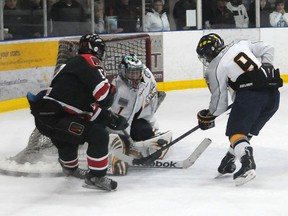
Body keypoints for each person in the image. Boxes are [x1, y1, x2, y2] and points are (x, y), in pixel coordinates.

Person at [27, 33, 128, 191]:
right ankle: (96, 176)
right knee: (98, 135)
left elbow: (81, 104)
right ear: (96, 50)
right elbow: (104, 97)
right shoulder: (89, 60)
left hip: (48, 117)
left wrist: (109, 117)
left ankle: (70, 168)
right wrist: (112, 91)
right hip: (56, 117)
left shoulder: (69, 65)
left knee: (71, 135)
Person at [196, 33, 282, 186]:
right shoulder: (240, 44)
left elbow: (219, 104)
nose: (207, 59)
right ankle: (230, 159)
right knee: (244, 133)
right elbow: (268, 48)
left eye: (207, 55)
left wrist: (209, 116)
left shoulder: (215, 67)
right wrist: (267, 65)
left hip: (251, 97)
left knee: (235, 133)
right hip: (273, 95)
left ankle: (247, 163)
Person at [107, 54, 171, 175]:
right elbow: (120, 123)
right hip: (118, 122)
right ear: (122, 72)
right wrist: (126, 143)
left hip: (138, 116)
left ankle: (150, 134)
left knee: (145, 131)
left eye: (137, 73)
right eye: (131, 73)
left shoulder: (144, 74)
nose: (135, 77)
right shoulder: (122, 92)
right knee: (128, 135)